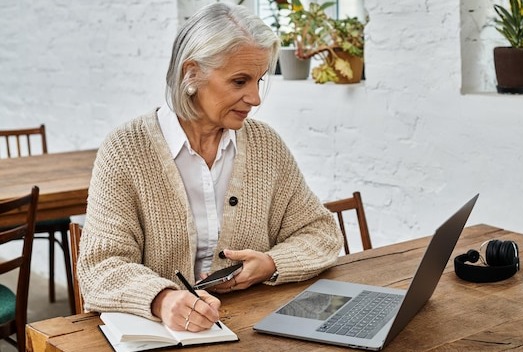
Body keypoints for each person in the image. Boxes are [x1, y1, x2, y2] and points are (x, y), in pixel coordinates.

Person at [77, 3, 343, 333]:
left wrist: (271, 263)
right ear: (191, 74)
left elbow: (320, 232)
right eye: (240, 81)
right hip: (163, 335)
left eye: (259, 80)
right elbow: (100, 266)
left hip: (253, 327)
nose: (255, 98)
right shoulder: (126, 150)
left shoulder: (265, 145)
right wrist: (163, 299)